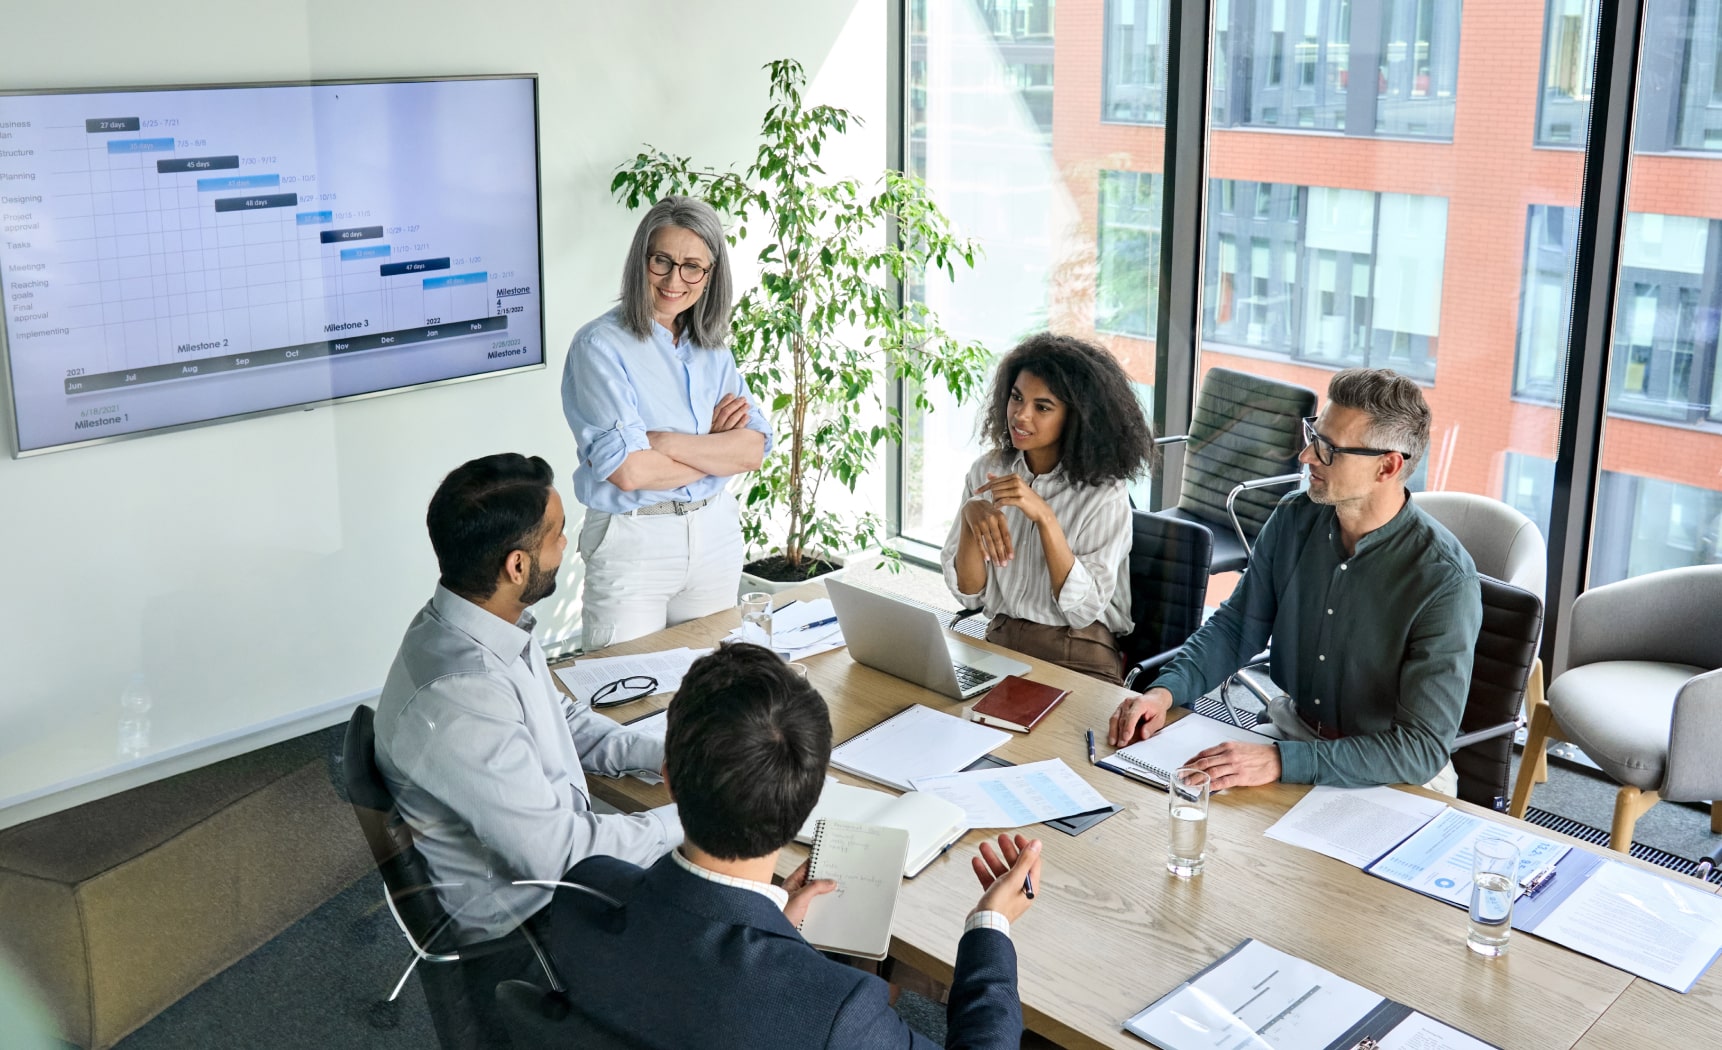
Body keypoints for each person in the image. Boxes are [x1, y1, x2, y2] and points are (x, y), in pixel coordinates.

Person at [543, 643, 1041, 1049]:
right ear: (806, 806)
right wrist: (991, 926)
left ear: (669, 781)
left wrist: (776, 926)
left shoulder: (582, 892)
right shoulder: (836, 1011)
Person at [374, 454, 680, 1037]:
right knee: (731, 923)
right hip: (529, 934)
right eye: (558, 534)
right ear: (518, 565)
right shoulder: (461, 697)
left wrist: (656, 752)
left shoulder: (477, 622)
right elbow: (558, 858)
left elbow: (559, 720)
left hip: (548, 875)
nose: (569, 545)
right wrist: (691, 820)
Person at [1108, 368, 1483, 794]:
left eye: (1328, 450)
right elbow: (1235, 629)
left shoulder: (1445, 581)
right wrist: (1164, 693)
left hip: (1391, 774)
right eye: (1312, 436)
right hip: (1291, 733)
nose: (1306, 457)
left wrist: (1279, 761)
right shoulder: (1293, 516)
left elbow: (1419, 749)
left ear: (1387, 466)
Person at [562, 196, 773, 645]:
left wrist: (663, 441)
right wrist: (716, 448)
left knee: (713, 695)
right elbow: (629, 470)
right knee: (624, 697)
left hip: (714, 534)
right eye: (663, 261)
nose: (675, 279)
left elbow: (752, 450)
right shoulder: (600, 346)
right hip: (634, 540)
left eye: (693, 266)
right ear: (641, 260)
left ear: (710, 275)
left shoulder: (713, 347)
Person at [941, 332, 1157, 684]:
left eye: (1042, 407)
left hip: (1078, 654)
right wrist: (970, 517)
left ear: (1077, 418)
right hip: (1002, 641)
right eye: (1016, 398)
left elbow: (1083, 610)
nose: (1021, 416)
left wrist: (1043, 516)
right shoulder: (987, 470)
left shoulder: (1104, 494)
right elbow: (969, 594)